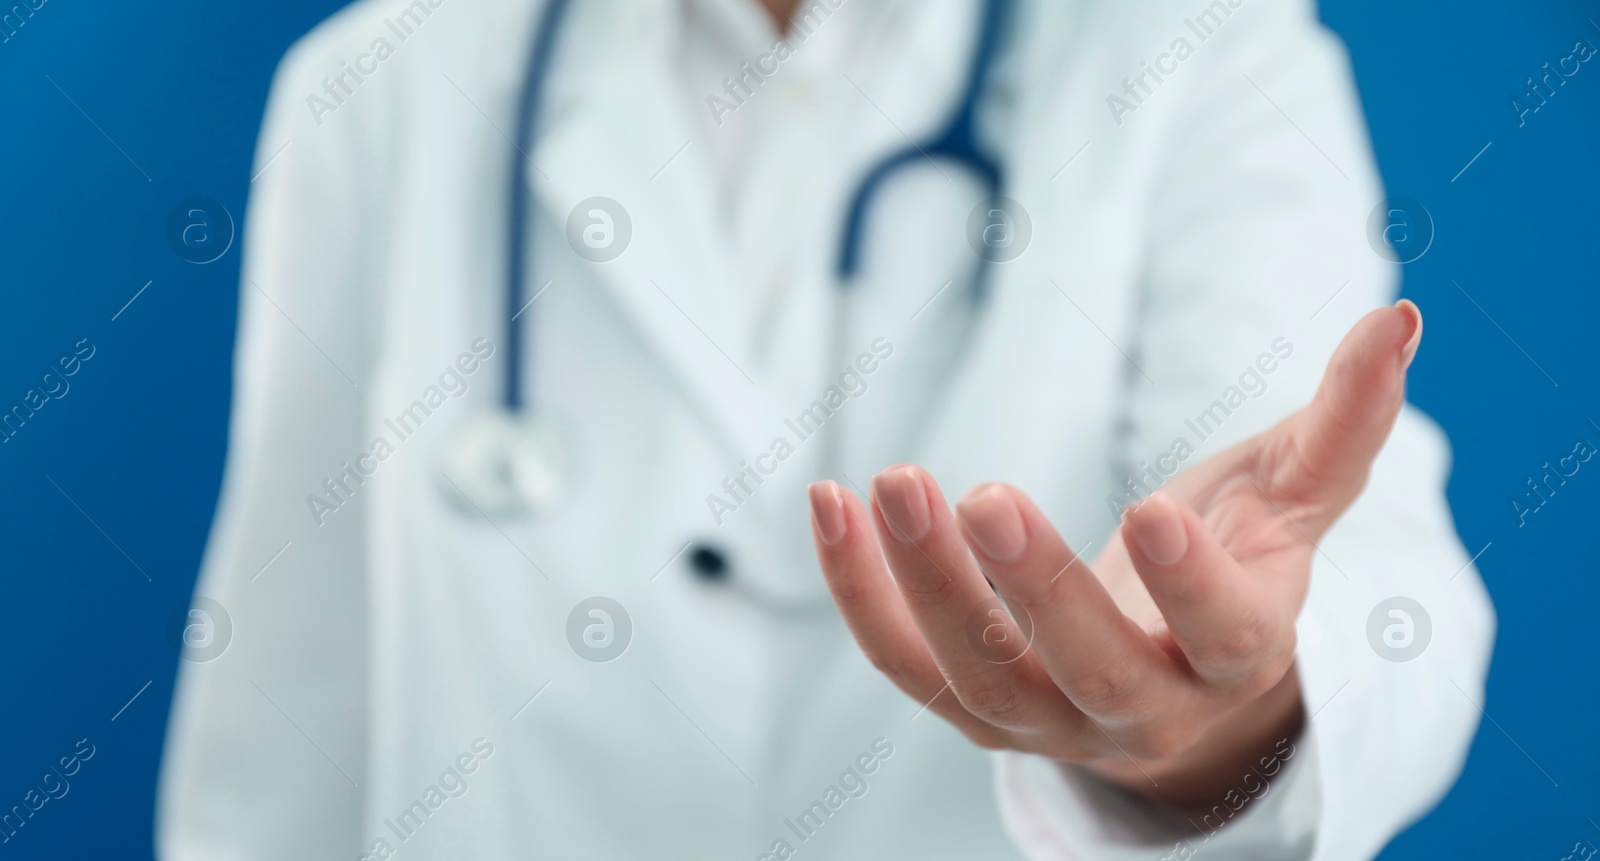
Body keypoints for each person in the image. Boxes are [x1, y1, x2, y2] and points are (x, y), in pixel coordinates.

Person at [159, 0, 1494, 858]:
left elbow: (1373, 589)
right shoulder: (387, 84)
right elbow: (282, 739)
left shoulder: (1199, 49)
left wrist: (1208, 722)